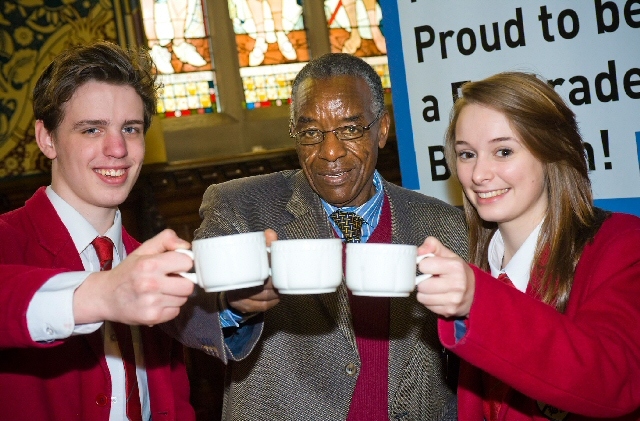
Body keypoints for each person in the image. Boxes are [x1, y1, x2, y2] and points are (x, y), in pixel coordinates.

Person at [167, 53, 468, 420]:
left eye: (350, 129)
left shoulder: (445, 226)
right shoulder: (242, 208)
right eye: (311, 133)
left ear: (382, 129)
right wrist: (233, 304)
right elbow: (184, 308)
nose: (329, 152)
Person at [0, 41, 247, 420]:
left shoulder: (148, 263)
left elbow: (175, 404)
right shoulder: (8, 240)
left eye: (130, 129)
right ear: (46, 138)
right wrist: (101, 294)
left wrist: (240, 302)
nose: (117, 149)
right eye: (92, 130)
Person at [415, 72, 640, 420]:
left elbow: (616, 381)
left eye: (503, 151)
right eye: (467, 154)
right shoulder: (466, 258)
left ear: (552, 150)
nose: (478, 174)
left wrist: (480, 299)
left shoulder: (621, 243)